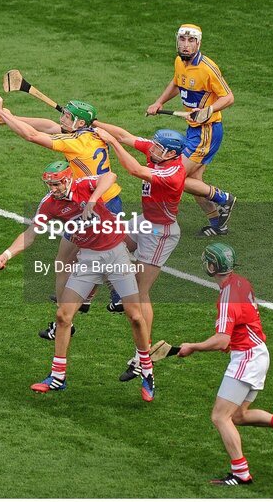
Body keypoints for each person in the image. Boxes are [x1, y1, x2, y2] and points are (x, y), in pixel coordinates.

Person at [0, 162, 156, 401]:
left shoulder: (83, 185)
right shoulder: (49, 203)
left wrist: (92, 200)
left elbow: (111, 176)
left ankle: (147, 371)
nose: (52, 188)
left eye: (56, 183)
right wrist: (5, 255)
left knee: (135, 316)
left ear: (67, 180)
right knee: (63, 316)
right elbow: (31, 233)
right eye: (49, 184)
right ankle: (58, 376)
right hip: (87, 258)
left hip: (116, 253)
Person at [175, 243, 273, 486]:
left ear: (212, 266)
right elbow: (241, 325)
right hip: (258, 354)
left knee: (219, 417)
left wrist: (193, 346)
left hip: (247, 357)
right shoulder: (242, 282)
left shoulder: (226, 297)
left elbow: (221, 339)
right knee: (238, 415)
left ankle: (240, 472)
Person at [0, 93, 122, 324]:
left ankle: (68, 316)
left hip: (94, 204)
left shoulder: (75, 144)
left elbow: (32, 135)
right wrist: (12, 117)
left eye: (68, 116)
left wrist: (2, 113)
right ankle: (76, 306)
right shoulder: (90, 134)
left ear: (80, 123)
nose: (62, 118)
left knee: (80, 259)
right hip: (106, 198)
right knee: (73, 260)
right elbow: (49, 126)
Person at [92, 123, 193, 381]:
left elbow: (134, 169)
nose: (154, 149)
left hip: (160, 233)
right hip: (145, 221)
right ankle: (114, 292)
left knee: (140, 291)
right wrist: (96, 124)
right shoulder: (161, 151)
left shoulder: (173, 173)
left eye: (159, 147)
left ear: (172, 153)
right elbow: (125, 135)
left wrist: (111, 142)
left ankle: (142, 357)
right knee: (108, 238)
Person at [146, 24, 236, 236]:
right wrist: (159, 102)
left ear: (199, 43)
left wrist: (208, 110)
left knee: (174, 177)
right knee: (194, 183)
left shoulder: (207, 68)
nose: (186, 45)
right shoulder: (179, 61)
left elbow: (229, 97)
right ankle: (217, 223)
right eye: (183, 40)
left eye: (191, 41)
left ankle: (224, 199)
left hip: (207, 130)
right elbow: (177, 83)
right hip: (193, 129)